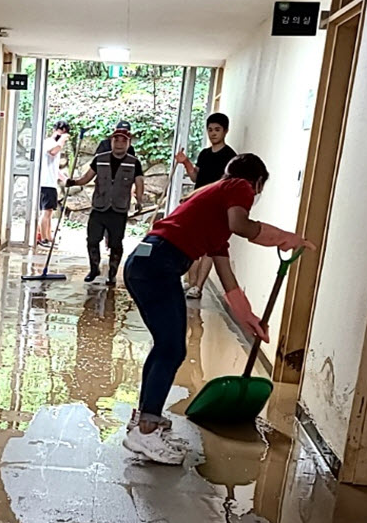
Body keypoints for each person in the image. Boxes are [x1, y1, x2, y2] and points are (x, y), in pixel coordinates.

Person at [122, 154, 315, 463]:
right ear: (257, 183)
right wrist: (283, 238)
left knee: (166, 347)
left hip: (145, 263)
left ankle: (146, 420)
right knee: (171, 349)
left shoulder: (213, 221)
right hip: (157, 264)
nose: (251, 198)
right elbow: (241, 225)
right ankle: (145, 431)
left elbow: (228, 282)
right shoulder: (239, 184)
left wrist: (249, 318)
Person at [67, 127, 145, 285]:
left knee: (116, 244)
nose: (120, 144)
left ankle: (112, 273)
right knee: (92, 240)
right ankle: (94, 268)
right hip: (99, 207)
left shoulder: (134, 163)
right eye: (116, 140)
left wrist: (139, 200)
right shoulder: (100, 159)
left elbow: (139, 182)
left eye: (124, 141)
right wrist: (74, 182)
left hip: (119, 209)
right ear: (111, 141)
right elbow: (87, 177)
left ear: (129, 143)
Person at [174, 112, 237, 300]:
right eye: (210, 130)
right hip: (198, 205)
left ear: (225, 131)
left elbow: (224, 184)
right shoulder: (204, 154)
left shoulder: (230, 157)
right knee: (192, 244)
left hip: (216, 207)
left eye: (217, 130)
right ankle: (191, 282)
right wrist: (185, 162)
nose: (213, 133)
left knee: (210, 248)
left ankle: (198, 287)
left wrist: (197, 195)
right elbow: (196, 177)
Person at [38, 121, 70, 247]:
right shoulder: (50, 143)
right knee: (45, 211)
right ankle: (44, 238)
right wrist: (61, 140)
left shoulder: (55, 144)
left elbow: (54, 168)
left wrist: (65, 179)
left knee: (50, 211)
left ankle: (49, 237)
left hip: (51, 183)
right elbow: (53, 151)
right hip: (45, 183)